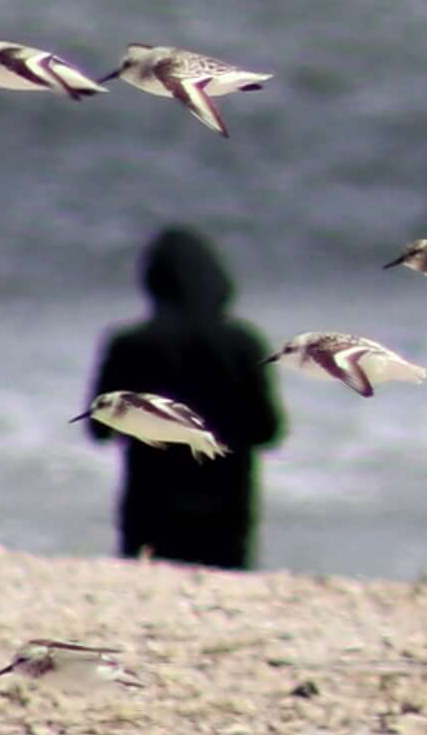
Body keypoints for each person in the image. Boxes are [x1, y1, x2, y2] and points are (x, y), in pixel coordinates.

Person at [83, 224, 282, 568]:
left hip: (150, 509)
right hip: (225, 511)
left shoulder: (129, 345)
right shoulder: (242, 344)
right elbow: (267, 430)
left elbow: (99, 432)